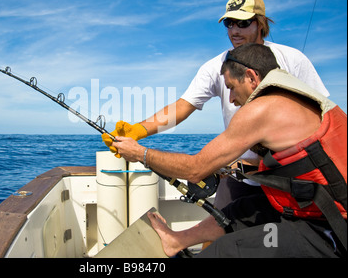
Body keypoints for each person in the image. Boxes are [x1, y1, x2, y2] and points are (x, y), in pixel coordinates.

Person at [111, 43, 347, 258]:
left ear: (252, 77)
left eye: (232, 88)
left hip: (331, 228)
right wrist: (233, 167)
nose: (231, 99)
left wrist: (140, 153)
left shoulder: (262, 108)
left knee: (226, 250)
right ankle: (176, 240)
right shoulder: (297, 97)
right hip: (312, 208)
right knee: (240, 211)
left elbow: (194, 170)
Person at [102, 0, 330, 210]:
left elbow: (324, 113)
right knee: (219, 236)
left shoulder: (293, 60)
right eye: (229, 23)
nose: (234, 31)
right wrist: (138, 130)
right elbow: (182, 107)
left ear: (260, 23)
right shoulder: (215, 66)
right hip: (240, 174)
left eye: (243, 23)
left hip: (290, 173)